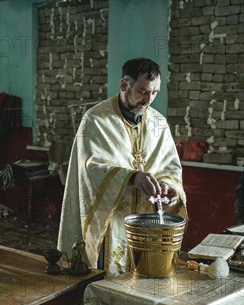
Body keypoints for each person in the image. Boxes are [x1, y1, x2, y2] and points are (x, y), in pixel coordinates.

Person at [57, 58, 188, 277]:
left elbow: (169, 166)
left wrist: (171, 187)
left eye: (154, 92)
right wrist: (131, 177)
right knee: (105, 281)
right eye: (143, 91)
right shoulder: (96, 119)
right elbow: (90, 168)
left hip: (147, 219)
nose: (148, 100)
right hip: (109, 222)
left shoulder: (158, 123)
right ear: (124, 85)